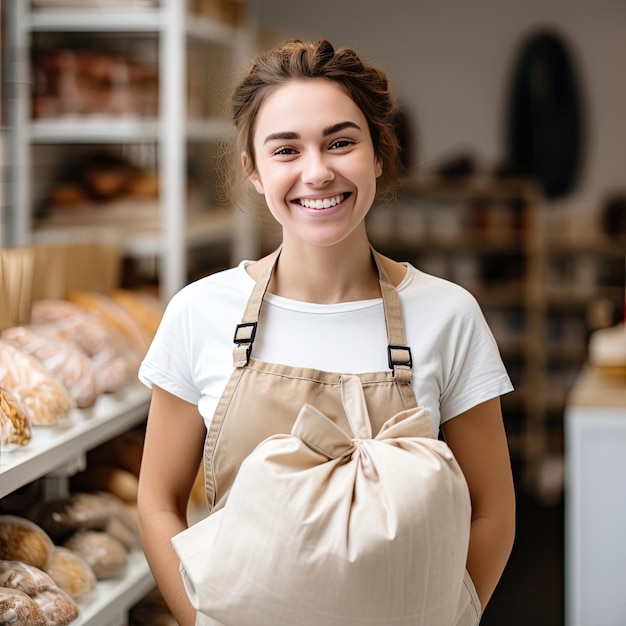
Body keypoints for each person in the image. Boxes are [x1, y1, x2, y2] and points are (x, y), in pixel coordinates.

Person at [137, 38, 516, 625]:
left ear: (378, 155)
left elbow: (492, 510)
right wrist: (201, 622)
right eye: (286, 150)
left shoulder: (448, 314)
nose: (317, 172)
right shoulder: (200, 313)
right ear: (254, 172)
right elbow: (157, 501)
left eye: (341, 142)